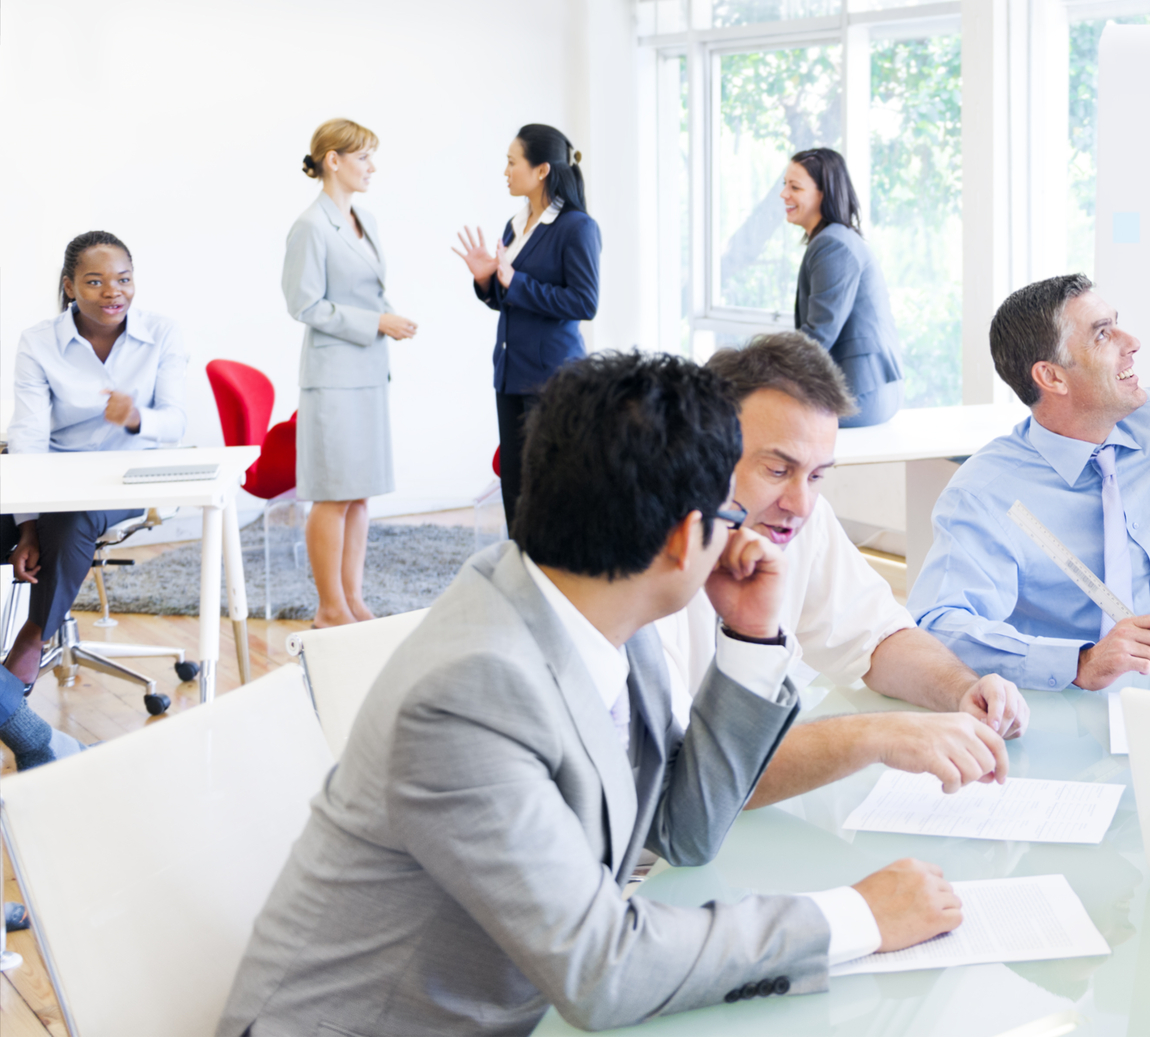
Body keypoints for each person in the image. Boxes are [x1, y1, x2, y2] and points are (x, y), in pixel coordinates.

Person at [217, 351, 963, 1037]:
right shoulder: (468, 691)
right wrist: (856, 915)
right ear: (681, 538)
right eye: (730, 515)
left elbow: (687, 827)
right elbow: (604, 969)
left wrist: (750, 639)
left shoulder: (602, 605)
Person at [659, 332, 1027, 805]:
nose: (800, 503)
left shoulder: (794, 522)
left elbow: (876, 637)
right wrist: (879, 736)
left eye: (816, 476)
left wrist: (963, 691)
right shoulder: (651, 566)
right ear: (706, 454)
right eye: (776, 470)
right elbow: (692, 783)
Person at [909, 274, 1150, 692]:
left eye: (1116, 323)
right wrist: (1078, 661)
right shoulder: (984, 494)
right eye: (1103, 334)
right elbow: (939, 624)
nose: (1133, 342)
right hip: (1076, 712)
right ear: (1052, 377)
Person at [4, 230, 183, 758]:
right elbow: (30, 439)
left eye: (124, 279)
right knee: (55, 513)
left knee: (74, 516)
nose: (113, 292)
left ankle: (33, 638)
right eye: (96, 281)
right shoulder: (39, 342)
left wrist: (136, 418)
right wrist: (25, 527)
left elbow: (174, 421)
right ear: (69, 287)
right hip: (51, 476)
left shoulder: (161, 335)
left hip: (125, 478)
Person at [282, 118, 416, 629]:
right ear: (332, 160)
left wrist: (386, 319)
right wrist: (376, 322)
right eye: (363, 157)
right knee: (333, 492)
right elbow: (304, 304)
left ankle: (352, 599)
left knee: (359, 492)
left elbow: (365, 291)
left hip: (367, 371)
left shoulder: (366, 220)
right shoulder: (311, 226)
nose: (372, 168)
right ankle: (328, 606)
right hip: (333, 376)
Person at [453, 123, 602, 533]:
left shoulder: (577, 227)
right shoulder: (515, 224)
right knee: (515, 489)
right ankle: (521, 577)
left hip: (551, 379)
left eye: (511, 161)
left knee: (548, 491)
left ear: (541, 170)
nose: (505, 171)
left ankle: (554, 582)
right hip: (511, 374)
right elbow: (508, 300)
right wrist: (487, 280)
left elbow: (584, 302)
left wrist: (515, 281)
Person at [784, 148, 906, 427]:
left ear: (822, 193)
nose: (784, 194)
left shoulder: (833, 245)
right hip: (866, 388)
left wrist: (763, 371)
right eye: (785, 185)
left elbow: (818, 334)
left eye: (795, 187)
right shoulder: (832, 239)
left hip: (862, 392)